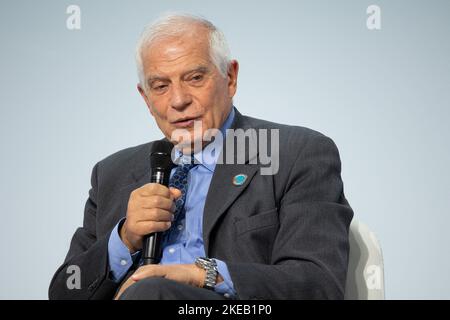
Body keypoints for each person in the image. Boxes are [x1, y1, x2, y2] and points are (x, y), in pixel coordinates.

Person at [49, 13, 353, 300]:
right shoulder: (112, 173)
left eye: (195, 78)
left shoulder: (293, 153)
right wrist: (125, 238)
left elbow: (318, 283)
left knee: (150, 292)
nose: (178, 100)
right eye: (161, 86)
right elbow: (65, 290)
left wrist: (202, 275)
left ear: (230, 77)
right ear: (146, 98)